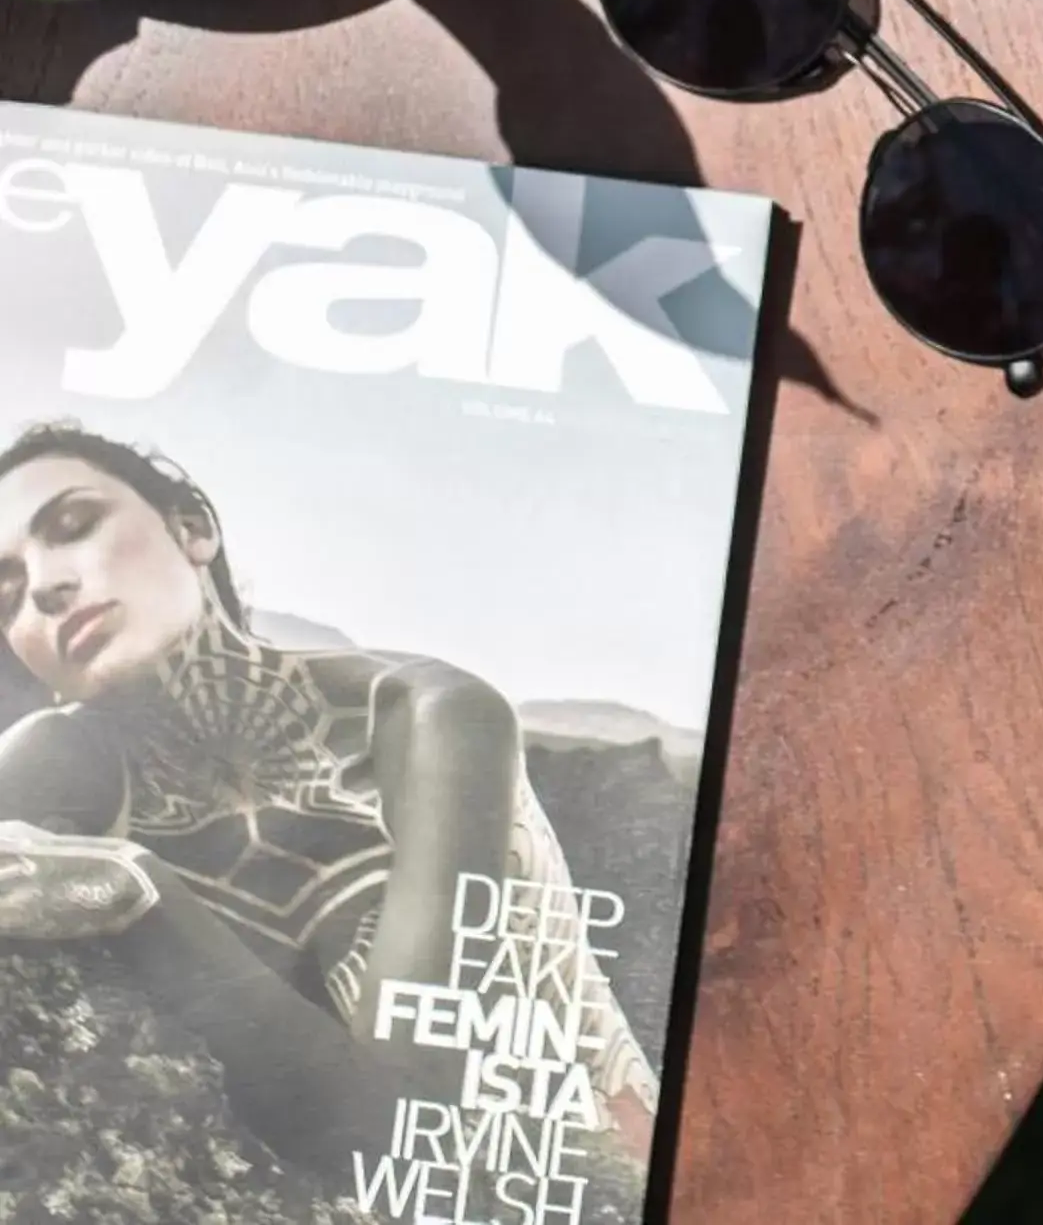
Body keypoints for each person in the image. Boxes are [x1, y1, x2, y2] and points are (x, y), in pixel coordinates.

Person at [0, 422, 656, 1190]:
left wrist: (136, 894)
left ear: (193, 529)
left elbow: (405, 1139)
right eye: (8, 594)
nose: (45, 586)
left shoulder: (430, 718)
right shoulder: (51, 765)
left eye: (74, 528)